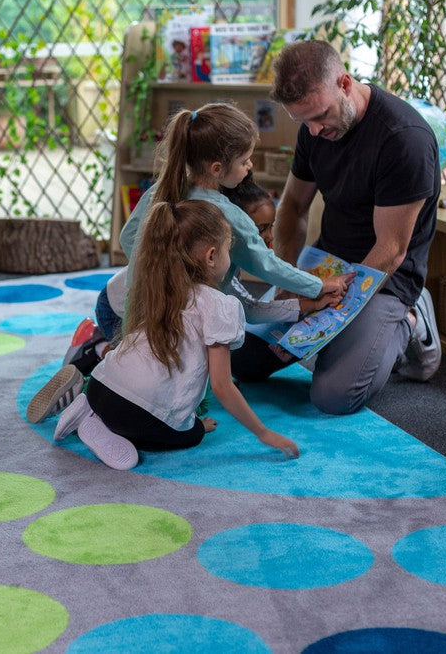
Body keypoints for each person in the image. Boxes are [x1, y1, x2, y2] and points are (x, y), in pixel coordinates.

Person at [25, 103, 351, 424]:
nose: (250, 166)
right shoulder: (226, 216)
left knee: (147, 367)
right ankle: (93, 360)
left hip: (116, 303)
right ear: (216, 169)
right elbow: (268, 266)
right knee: (153, 384)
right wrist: (319, 285)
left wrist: (159, 267)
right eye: (244, 160)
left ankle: (96, 352)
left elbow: (128, 237)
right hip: (138, 318)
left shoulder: (163, 191)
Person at [239, 38, 442, 415]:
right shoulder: (315, 128)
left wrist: (330, 310)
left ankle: (412, 319)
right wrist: (289, 281)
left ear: (345, 83)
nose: (314, 130)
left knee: (334, 396)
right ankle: (343, 338)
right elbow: (293, 207)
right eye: (303, 121)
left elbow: (391, 250)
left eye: (320, 116)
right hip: (326, 265)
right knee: (242, 358)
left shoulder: (403, 139)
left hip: (386, 277)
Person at [52, 199, 301, 470]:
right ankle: (102, 428)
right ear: (211, 256)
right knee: (191, 433)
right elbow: (222, 386)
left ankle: (89, 411)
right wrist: (263, 433)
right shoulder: (219, 305)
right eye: (228, 249)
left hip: (100, 386)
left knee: (163, 412)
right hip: (135, 413)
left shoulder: (161, 287)